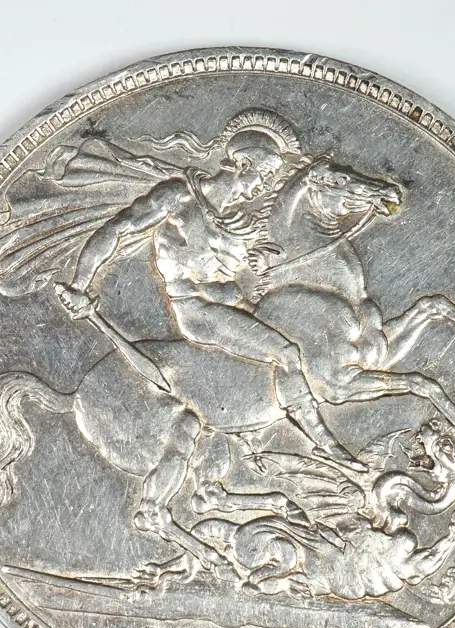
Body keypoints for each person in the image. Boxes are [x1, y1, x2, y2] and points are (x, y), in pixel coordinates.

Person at [56, 109, 363, 471]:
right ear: (243, 164)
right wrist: (79, 283)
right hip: (195, 311)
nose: (263, 186)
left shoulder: (239, 221)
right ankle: (326, 444)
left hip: (228, 306)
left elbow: (233, 283)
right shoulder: (178, 197)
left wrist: (255, 271)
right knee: (287, 352)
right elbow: (117, 230)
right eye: (264, 175)